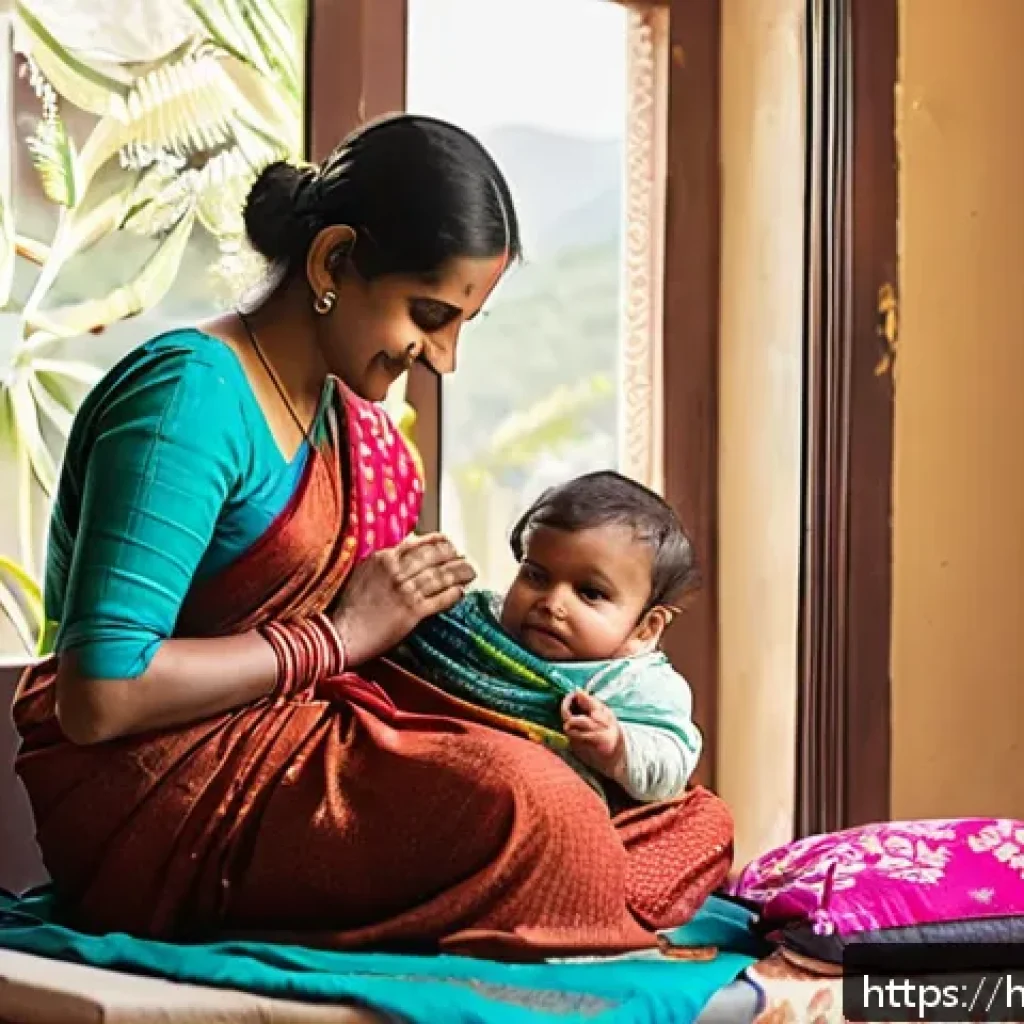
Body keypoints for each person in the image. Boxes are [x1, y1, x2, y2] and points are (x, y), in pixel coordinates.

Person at [13, 114, 732, 959]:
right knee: (536, 807)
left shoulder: (350, 425)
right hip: (165, 788)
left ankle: (559, 878)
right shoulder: (189, 399)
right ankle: (558, 880)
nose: (444, 358)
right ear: (331, 262)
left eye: (463, 324)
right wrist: (336, 637)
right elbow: (100, 696)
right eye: (429, 314)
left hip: (307, 739)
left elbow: (385, 647)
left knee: (686, 816)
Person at [399, 471, 703, 805]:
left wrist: (618, 748)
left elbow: (672, 760)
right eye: (536, 576)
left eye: (590, 593)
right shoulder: (474, 630)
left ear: (646, 627)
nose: (552, 603)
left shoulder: (637, 683)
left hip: (543, 810)